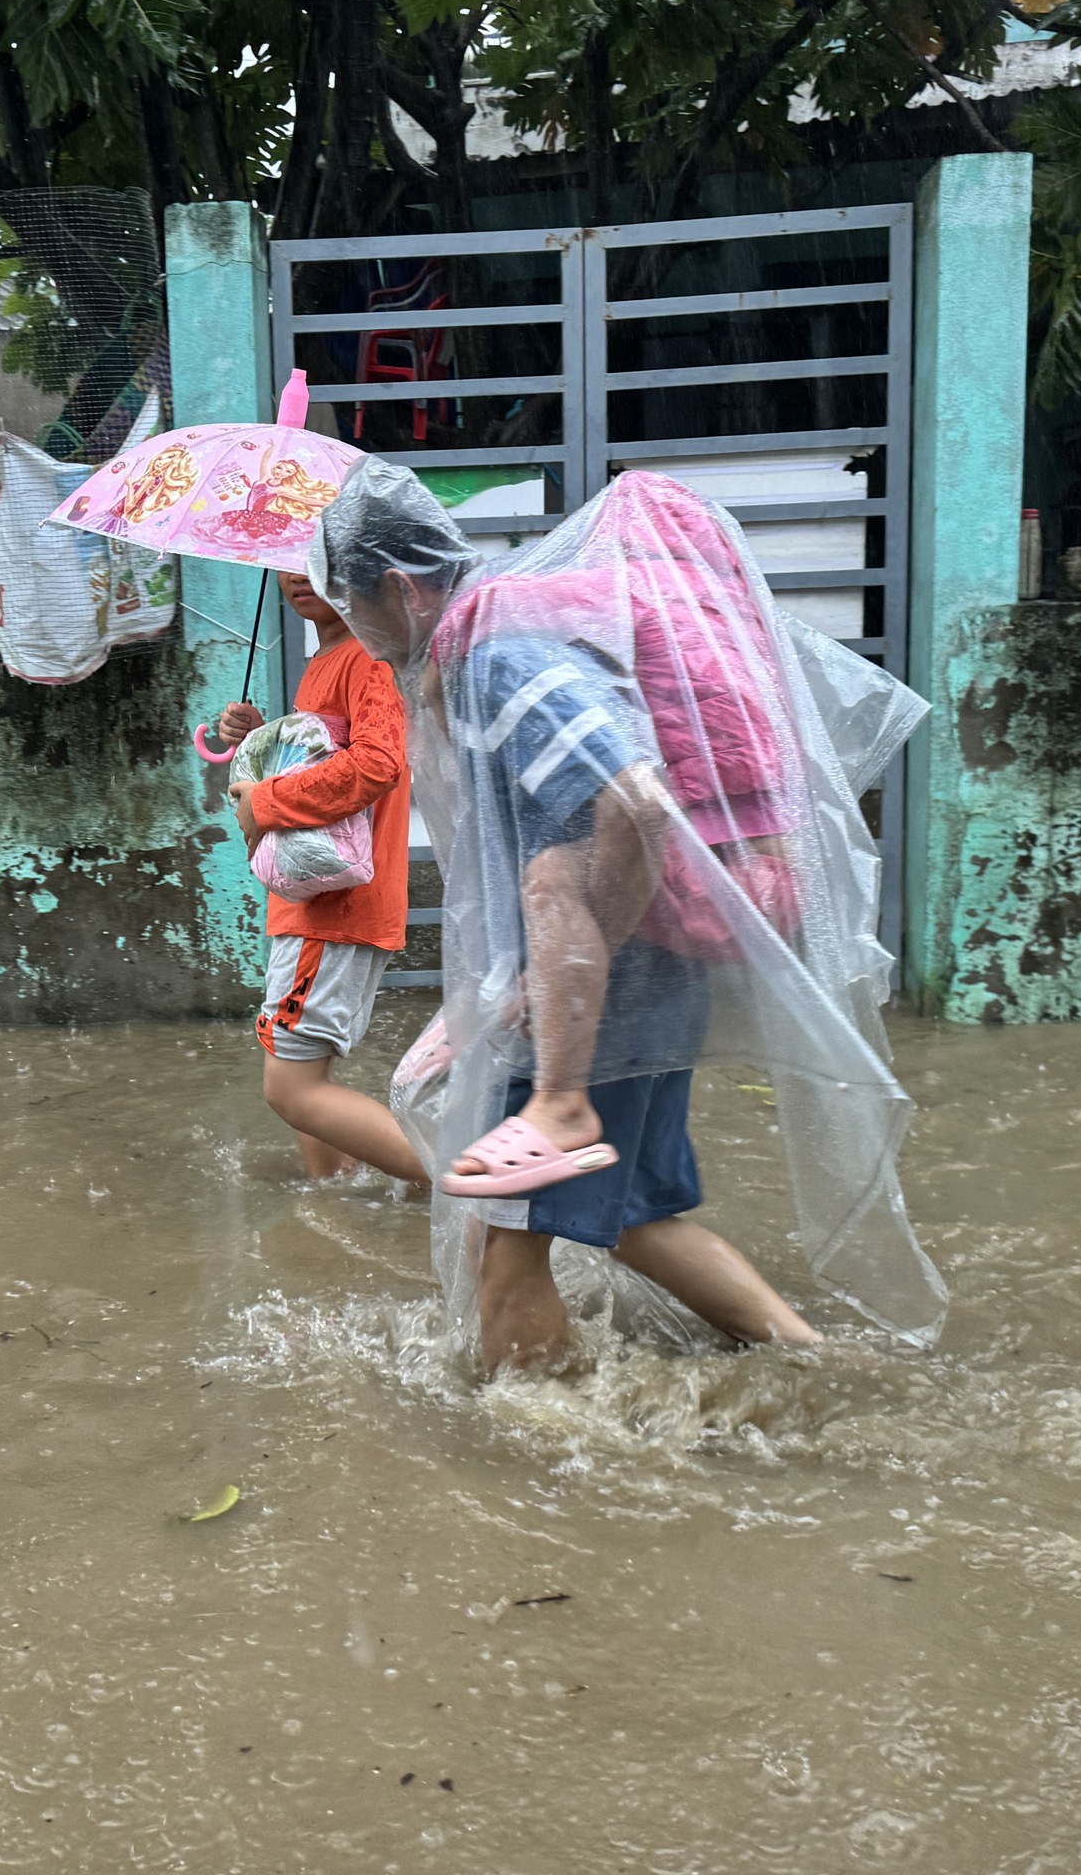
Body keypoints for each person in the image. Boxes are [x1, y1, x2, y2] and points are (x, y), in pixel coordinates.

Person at [308, 462, 843, 1374]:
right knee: (636, 1219)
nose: (353, 631)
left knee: (500, 1243)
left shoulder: (497, 655)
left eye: (351, 607)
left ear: (399, 587)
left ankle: (526, 1458)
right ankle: (822, 1364)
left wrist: (566, 972)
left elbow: (634, 801)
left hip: (599, 1000)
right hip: (642, 982)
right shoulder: (495, 640)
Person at [216, 570, 428, 1186]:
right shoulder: (326, 660)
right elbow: (325, 755)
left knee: (292, 1087)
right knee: (296, 1068)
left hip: (334, 908)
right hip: (310, 902)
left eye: (316, 559)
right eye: (287, 557)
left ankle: (479, 1199)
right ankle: (332, 1199)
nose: (295, 574)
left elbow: (377, 763)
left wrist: (265, 799)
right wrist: (261, 737)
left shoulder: (368, 657)